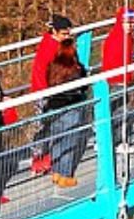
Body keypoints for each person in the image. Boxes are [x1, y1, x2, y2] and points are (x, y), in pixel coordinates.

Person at [29, 15, 90, 186]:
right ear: (54, 31)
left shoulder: (47, 44)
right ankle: (60, 170)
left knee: (54, 131)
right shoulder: (53, 49)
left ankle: (51, 166)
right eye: (64, 33)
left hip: (48, 95)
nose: (67, 36)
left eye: (68, 33)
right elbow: (48, 73)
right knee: (65, 134)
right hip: (51, 95)